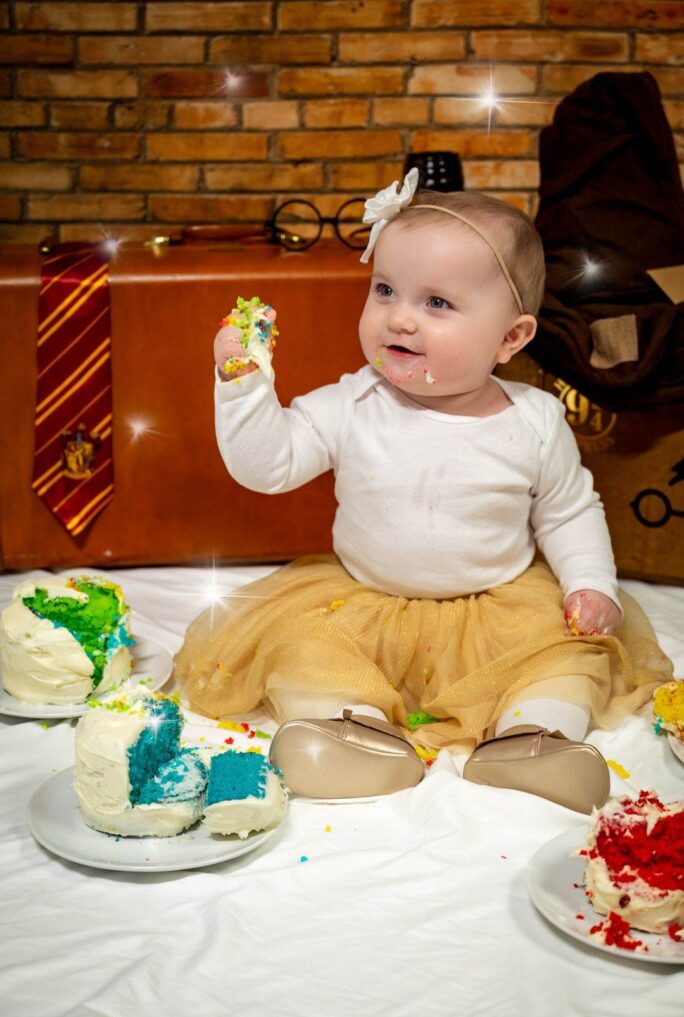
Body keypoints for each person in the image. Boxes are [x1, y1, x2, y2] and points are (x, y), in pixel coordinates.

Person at [174, 169, 673, 813]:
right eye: (385, 289)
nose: (400, 318)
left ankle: (535, 737)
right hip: (363, 601)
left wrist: (589, 584)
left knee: (568, 657)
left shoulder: (533, 419)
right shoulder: (352, 402)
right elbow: (268, 466)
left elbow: (569, 510)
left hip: (498, 606)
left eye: (437, 303)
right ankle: (349, 731)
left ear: (510, 338)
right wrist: (243, 383)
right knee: (303, 651)